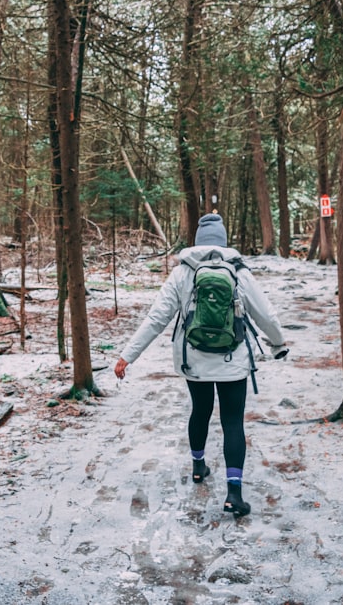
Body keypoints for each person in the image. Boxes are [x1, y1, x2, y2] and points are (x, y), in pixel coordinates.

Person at [114, 213, 288, 518]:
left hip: (193, 361)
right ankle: (234, 493)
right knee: (233, 422)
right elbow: (266, 315)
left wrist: (127, 355)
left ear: (197, 242)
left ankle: (198, 466)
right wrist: (279, 344)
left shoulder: (183, 273)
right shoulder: (239, 271)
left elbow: (157, 318)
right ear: (222, 242)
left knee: (200, 411)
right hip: (233, 361)